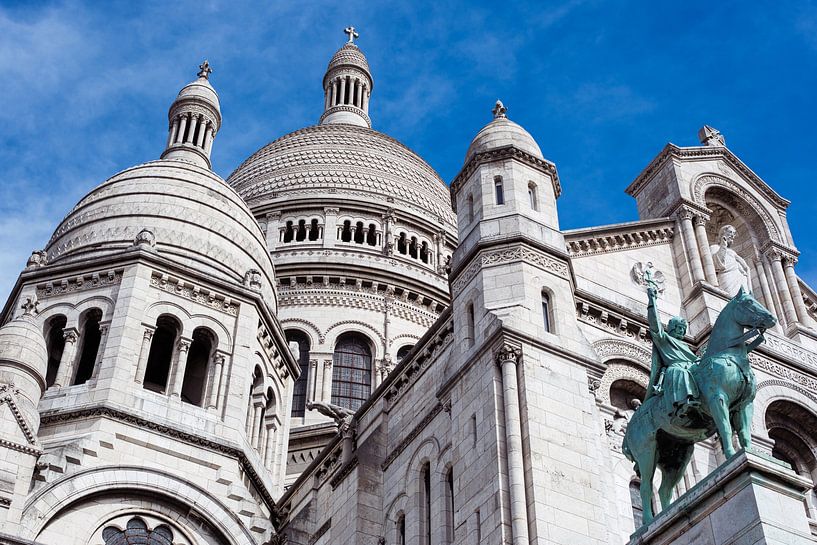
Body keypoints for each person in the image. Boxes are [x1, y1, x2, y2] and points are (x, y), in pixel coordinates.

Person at [645, 286, 700, 418]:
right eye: (679, 328)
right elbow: (655, 326)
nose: (681, 331)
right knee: (681, 372)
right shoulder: (664, 339)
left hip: (691, 367)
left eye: (683, 329)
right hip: (676, 369)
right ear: (672, 328)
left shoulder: (686, 346)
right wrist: (652, 301)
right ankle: (683, 404)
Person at [710, 224, 751, 296]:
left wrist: (745, 270)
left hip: (739, 278)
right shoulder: (714, 247)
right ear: (723, 233)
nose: (732, 235)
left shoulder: (733, 253)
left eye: (734, 234)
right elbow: (717, 265)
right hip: (727, 278)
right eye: (730, 232)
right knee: (730, 298)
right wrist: (723, 246)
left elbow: (744, 268)